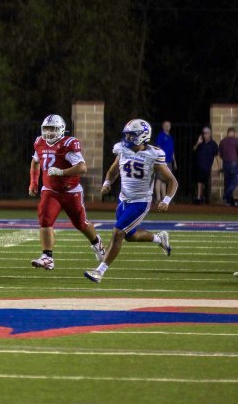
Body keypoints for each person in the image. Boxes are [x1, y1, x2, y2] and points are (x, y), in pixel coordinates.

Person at [84, 119, 176, 284]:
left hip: (140, 202)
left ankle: (100, 271)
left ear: (143, 136)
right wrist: (107, 184)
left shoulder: (153, 155)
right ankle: (159, 239)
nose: (128, 138)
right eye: (127, 135)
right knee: (130, 236)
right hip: (123, 200)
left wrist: (166, 200)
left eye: (132, 135)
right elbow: (112, 172)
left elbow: (172, 181)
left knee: (118, 232)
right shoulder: (122, 150)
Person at [26, 114, 105, 270]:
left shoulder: (68, 144)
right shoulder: (39, 142)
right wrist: (34, 182)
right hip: (50, 190)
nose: (49, 132)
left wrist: (61, 172)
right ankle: (47, 257)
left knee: (80, 223)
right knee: (45, 219)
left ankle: (97, 243)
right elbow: (35, 162)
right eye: (46, 129)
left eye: (52, 129)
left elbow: (82, 167)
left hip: (71, 191)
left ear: (61, 130)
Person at [192, 126, 219, 204]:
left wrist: (219, 167)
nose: (205, 135)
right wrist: (198, 143)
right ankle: (199, 197)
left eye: (206, 133)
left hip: (208, 167)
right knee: (199, 181)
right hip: (199, 166)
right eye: (204, 133)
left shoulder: (213, 144)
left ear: (210, 134)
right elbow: (193, 150)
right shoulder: (201, 143)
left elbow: (217, 156)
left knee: (205, 183)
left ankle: (204, 198)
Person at [153, 121, 176, 202]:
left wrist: (174, 161)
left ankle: (163, 197)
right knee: (159, 179)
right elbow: (158, 147)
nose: (167, 127)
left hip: (169, 160)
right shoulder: (161, 136)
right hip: (162, 161)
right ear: (163, 126)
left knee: (164, 179)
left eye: (169, 125)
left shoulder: (170, 137)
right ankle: (158, 198)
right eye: (166, 125)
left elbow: (172, 150)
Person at [219, 127, 238, 206]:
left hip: (225, 163)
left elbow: (220, 154)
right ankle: (226, 196)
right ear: (233, 132)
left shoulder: (222, 141)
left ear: (227, 133)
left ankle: (229, 201)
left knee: (227, 182)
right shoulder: (236, 140)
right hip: (234, 163)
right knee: (235, 180)